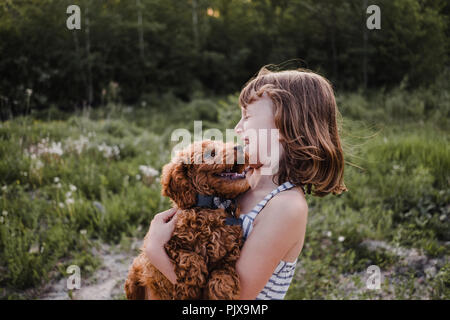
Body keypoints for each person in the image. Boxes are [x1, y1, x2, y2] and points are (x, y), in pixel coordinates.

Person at [144, 66, 347, 300]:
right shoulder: (240, 182)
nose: (237, 128)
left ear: (284, 123)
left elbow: (232, 301)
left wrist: (155, 251)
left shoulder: (286, 207)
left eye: (247, 116)